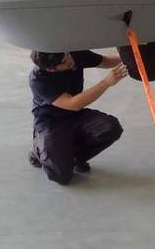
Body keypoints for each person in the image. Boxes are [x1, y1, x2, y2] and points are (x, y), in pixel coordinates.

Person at [28, 50, 127, 185]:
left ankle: (73, 157)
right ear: (51, 69)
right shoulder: (39, 79)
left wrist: (131, 55)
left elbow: (106, 61)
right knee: (62, 177)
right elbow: (73, 103)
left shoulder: (73, 53)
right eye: (64, 62)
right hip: (51, 122)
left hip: (75, 116)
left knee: (110, 127)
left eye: (68, 55)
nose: (70, 60)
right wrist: (106, 83)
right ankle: (39, 151)